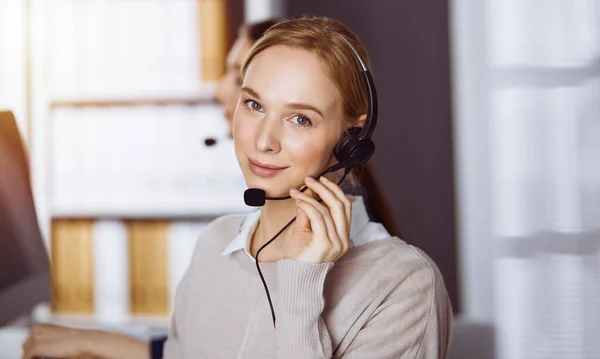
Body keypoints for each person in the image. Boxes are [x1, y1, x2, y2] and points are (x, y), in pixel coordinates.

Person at [163, 15, 453, 358]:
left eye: (300, 119)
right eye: (254, 104)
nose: (264, 141)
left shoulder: (402, 283)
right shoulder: (214, 245)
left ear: (351, 138)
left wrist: (302, 283)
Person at [21, 18, 280, 359]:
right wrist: (94, 342)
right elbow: (204, 350)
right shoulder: (230, 234)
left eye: (237, 74)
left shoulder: (344, 259)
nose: (218, 90)